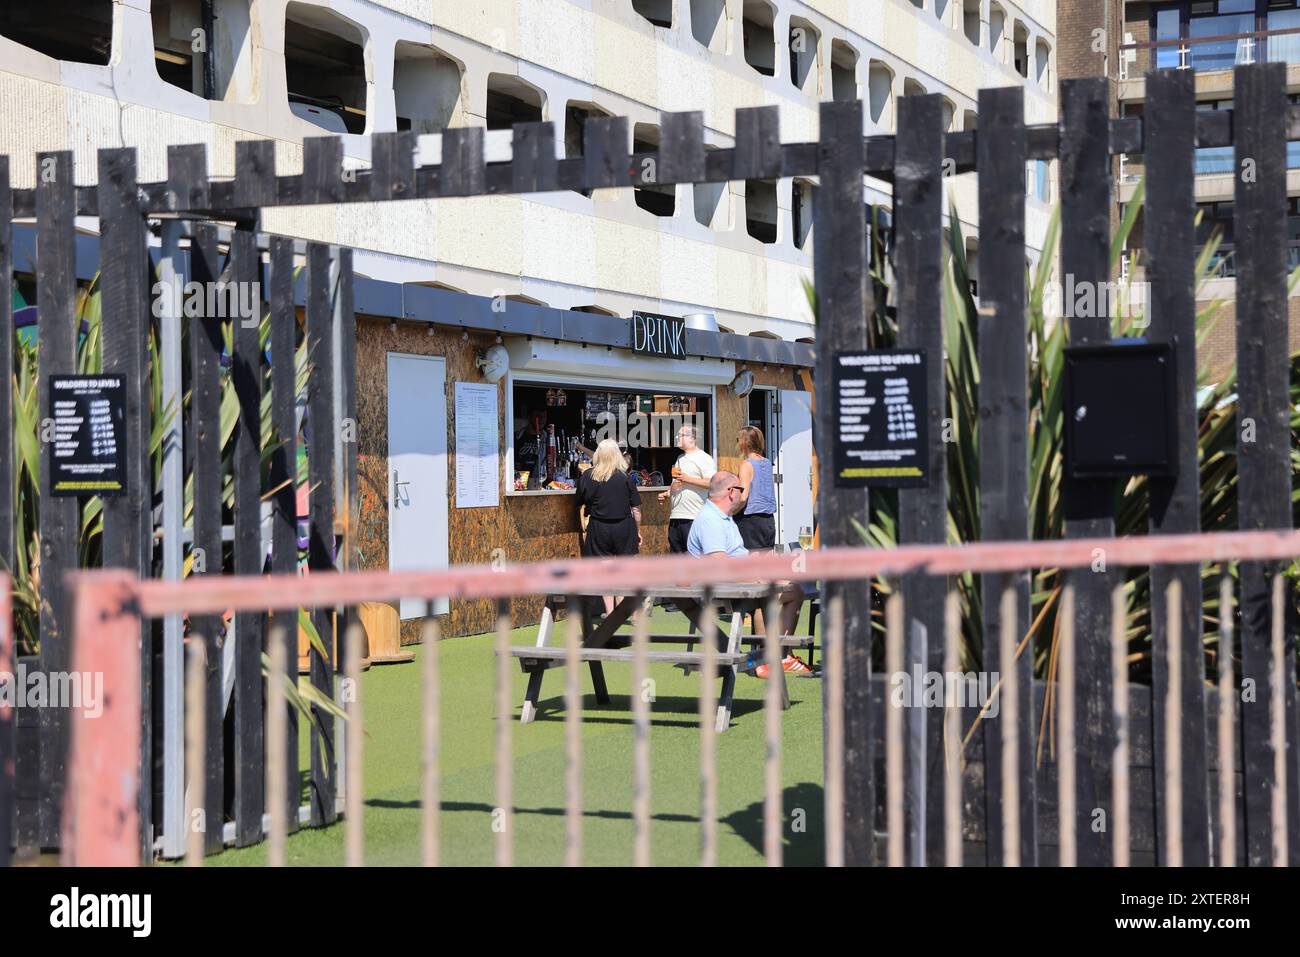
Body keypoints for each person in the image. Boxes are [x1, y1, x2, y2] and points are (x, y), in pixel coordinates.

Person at [687, 472, 811, 676]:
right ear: (730, 492)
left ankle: (775, 656)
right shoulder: (711, 520)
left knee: (794, 588)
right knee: (777, 592)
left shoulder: (724, 518)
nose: (745, 494)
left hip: (734, 581)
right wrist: (756, 578)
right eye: (741, 489)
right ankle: (770, 659)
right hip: (718, 587)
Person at [577, 439, 643, 615]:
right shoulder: (625, 477)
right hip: (624, 526)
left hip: (599, 528)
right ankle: (628, 613)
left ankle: (611, 613)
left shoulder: (587, 476)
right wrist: (637, 531)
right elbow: (636, 509)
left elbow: (579, 502)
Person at [658, 425, 715, 554]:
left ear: (692, 438)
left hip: (693, 518)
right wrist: (667, 493)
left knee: (694, 560)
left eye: (681, 435)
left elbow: (712, 483)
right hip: (676, 517)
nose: (677, 437)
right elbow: (679, 484)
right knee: (677, 561)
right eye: (677, 435)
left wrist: (687, 478)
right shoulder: (680, 459)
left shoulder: (704, 458)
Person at [734, 426, 777, 552]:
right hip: (769, 520)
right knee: (765, 564)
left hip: (751, 521)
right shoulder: (767, 462)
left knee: (751, 565)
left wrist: (730, 512)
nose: (737, 443)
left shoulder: (746, 464)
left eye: (738, 440)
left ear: (745, 442)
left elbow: (743, 497)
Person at [515, 408, 547, 490]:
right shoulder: (517, 437)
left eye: (544, 417)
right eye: (538, 416)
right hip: (520, 484)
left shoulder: (548, 439)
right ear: (530, 417)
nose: (541, 420)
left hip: (539, 484)